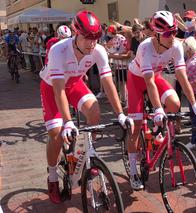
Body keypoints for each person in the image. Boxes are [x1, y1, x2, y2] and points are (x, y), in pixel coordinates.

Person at [39, 10, 133, 204]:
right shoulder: (59, 50)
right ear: (76, 34)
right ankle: (53, 177)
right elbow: (58, 91)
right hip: (52, 87)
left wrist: (121, 114)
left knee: (95, 110)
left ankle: (86, 155)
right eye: (88, 38)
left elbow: (108, 83)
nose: (93, 43)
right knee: (56, 134)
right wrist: (67, 122)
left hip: (73, 83)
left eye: (96, 37)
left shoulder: (97, 50)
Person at [126, 11, 196, 190]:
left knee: (175, 104)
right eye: (167, 33)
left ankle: (157, 131)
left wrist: (194, 105)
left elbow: (182, 77)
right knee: (136, 126)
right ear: (155, 34)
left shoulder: (176, 46)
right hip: (136, 80)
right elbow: (148, 83)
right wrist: (157, 109)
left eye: (173, 32)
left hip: (155, 77)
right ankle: (133, 171)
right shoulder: (145, 47)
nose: (172, 36)